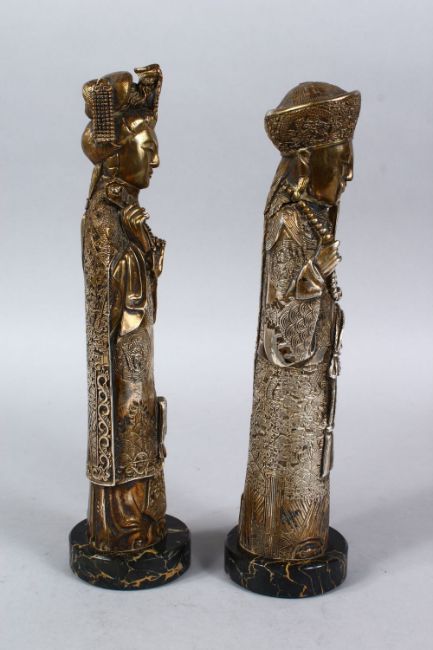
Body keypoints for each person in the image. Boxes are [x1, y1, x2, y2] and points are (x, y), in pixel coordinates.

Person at [239, 82, 361, 560]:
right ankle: (281, 539)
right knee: (289, 459)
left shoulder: (313, 219)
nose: (350, 172)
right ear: (307, 162)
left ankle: (298, 536)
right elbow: (277, 329)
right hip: (288, 390)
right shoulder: (289, 224)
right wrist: (314, 276)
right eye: (341, 157)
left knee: (308, 462)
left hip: (310, 385)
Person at [81, 67, 167, 552]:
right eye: (147, 146)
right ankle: (122, 525)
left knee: (143, 425)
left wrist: (143, 247)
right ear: (118, 153)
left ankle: (142, 517)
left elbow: (146, 297)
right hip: (119, 364)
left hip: (137, 357)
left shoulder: (125, 213)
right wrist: (136, 250)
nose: (156, 158)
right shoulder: (102, 216)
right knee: (128, 429)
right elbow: (110, 306)